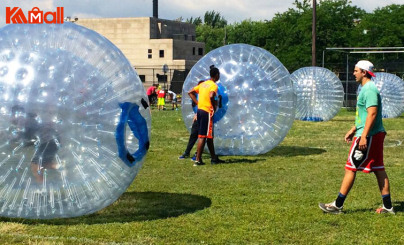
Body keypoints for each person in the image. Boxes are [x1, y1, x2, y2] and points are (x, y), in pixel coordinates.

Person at [319, 60, 394, 214]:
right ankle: (388, 207)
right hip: (373, 134)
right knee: (379, 169)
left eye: (356, 71)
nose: (353, 73)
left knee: (350, 167)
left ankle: (337, 205)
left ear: (364, 72)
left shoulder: (369, 89)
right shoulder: (366, 89)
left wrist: (364, 136)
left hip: (369, 135)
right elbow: (365, 114)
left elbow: (372, 113)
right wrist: (353, 129)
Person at [188, 66, 225, 166]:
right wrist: (213, 104)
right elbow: (211, 95)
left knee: (209, 136)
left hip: (200, 111)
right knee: (203, 136)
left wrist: (197, 103)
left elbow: (190, 92)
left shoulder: (203, 84)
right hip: (207, 112)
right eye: (219, 75)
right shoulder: (213, 85)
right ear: (216, 75)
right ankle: (198, 160)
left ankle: (214, 158)